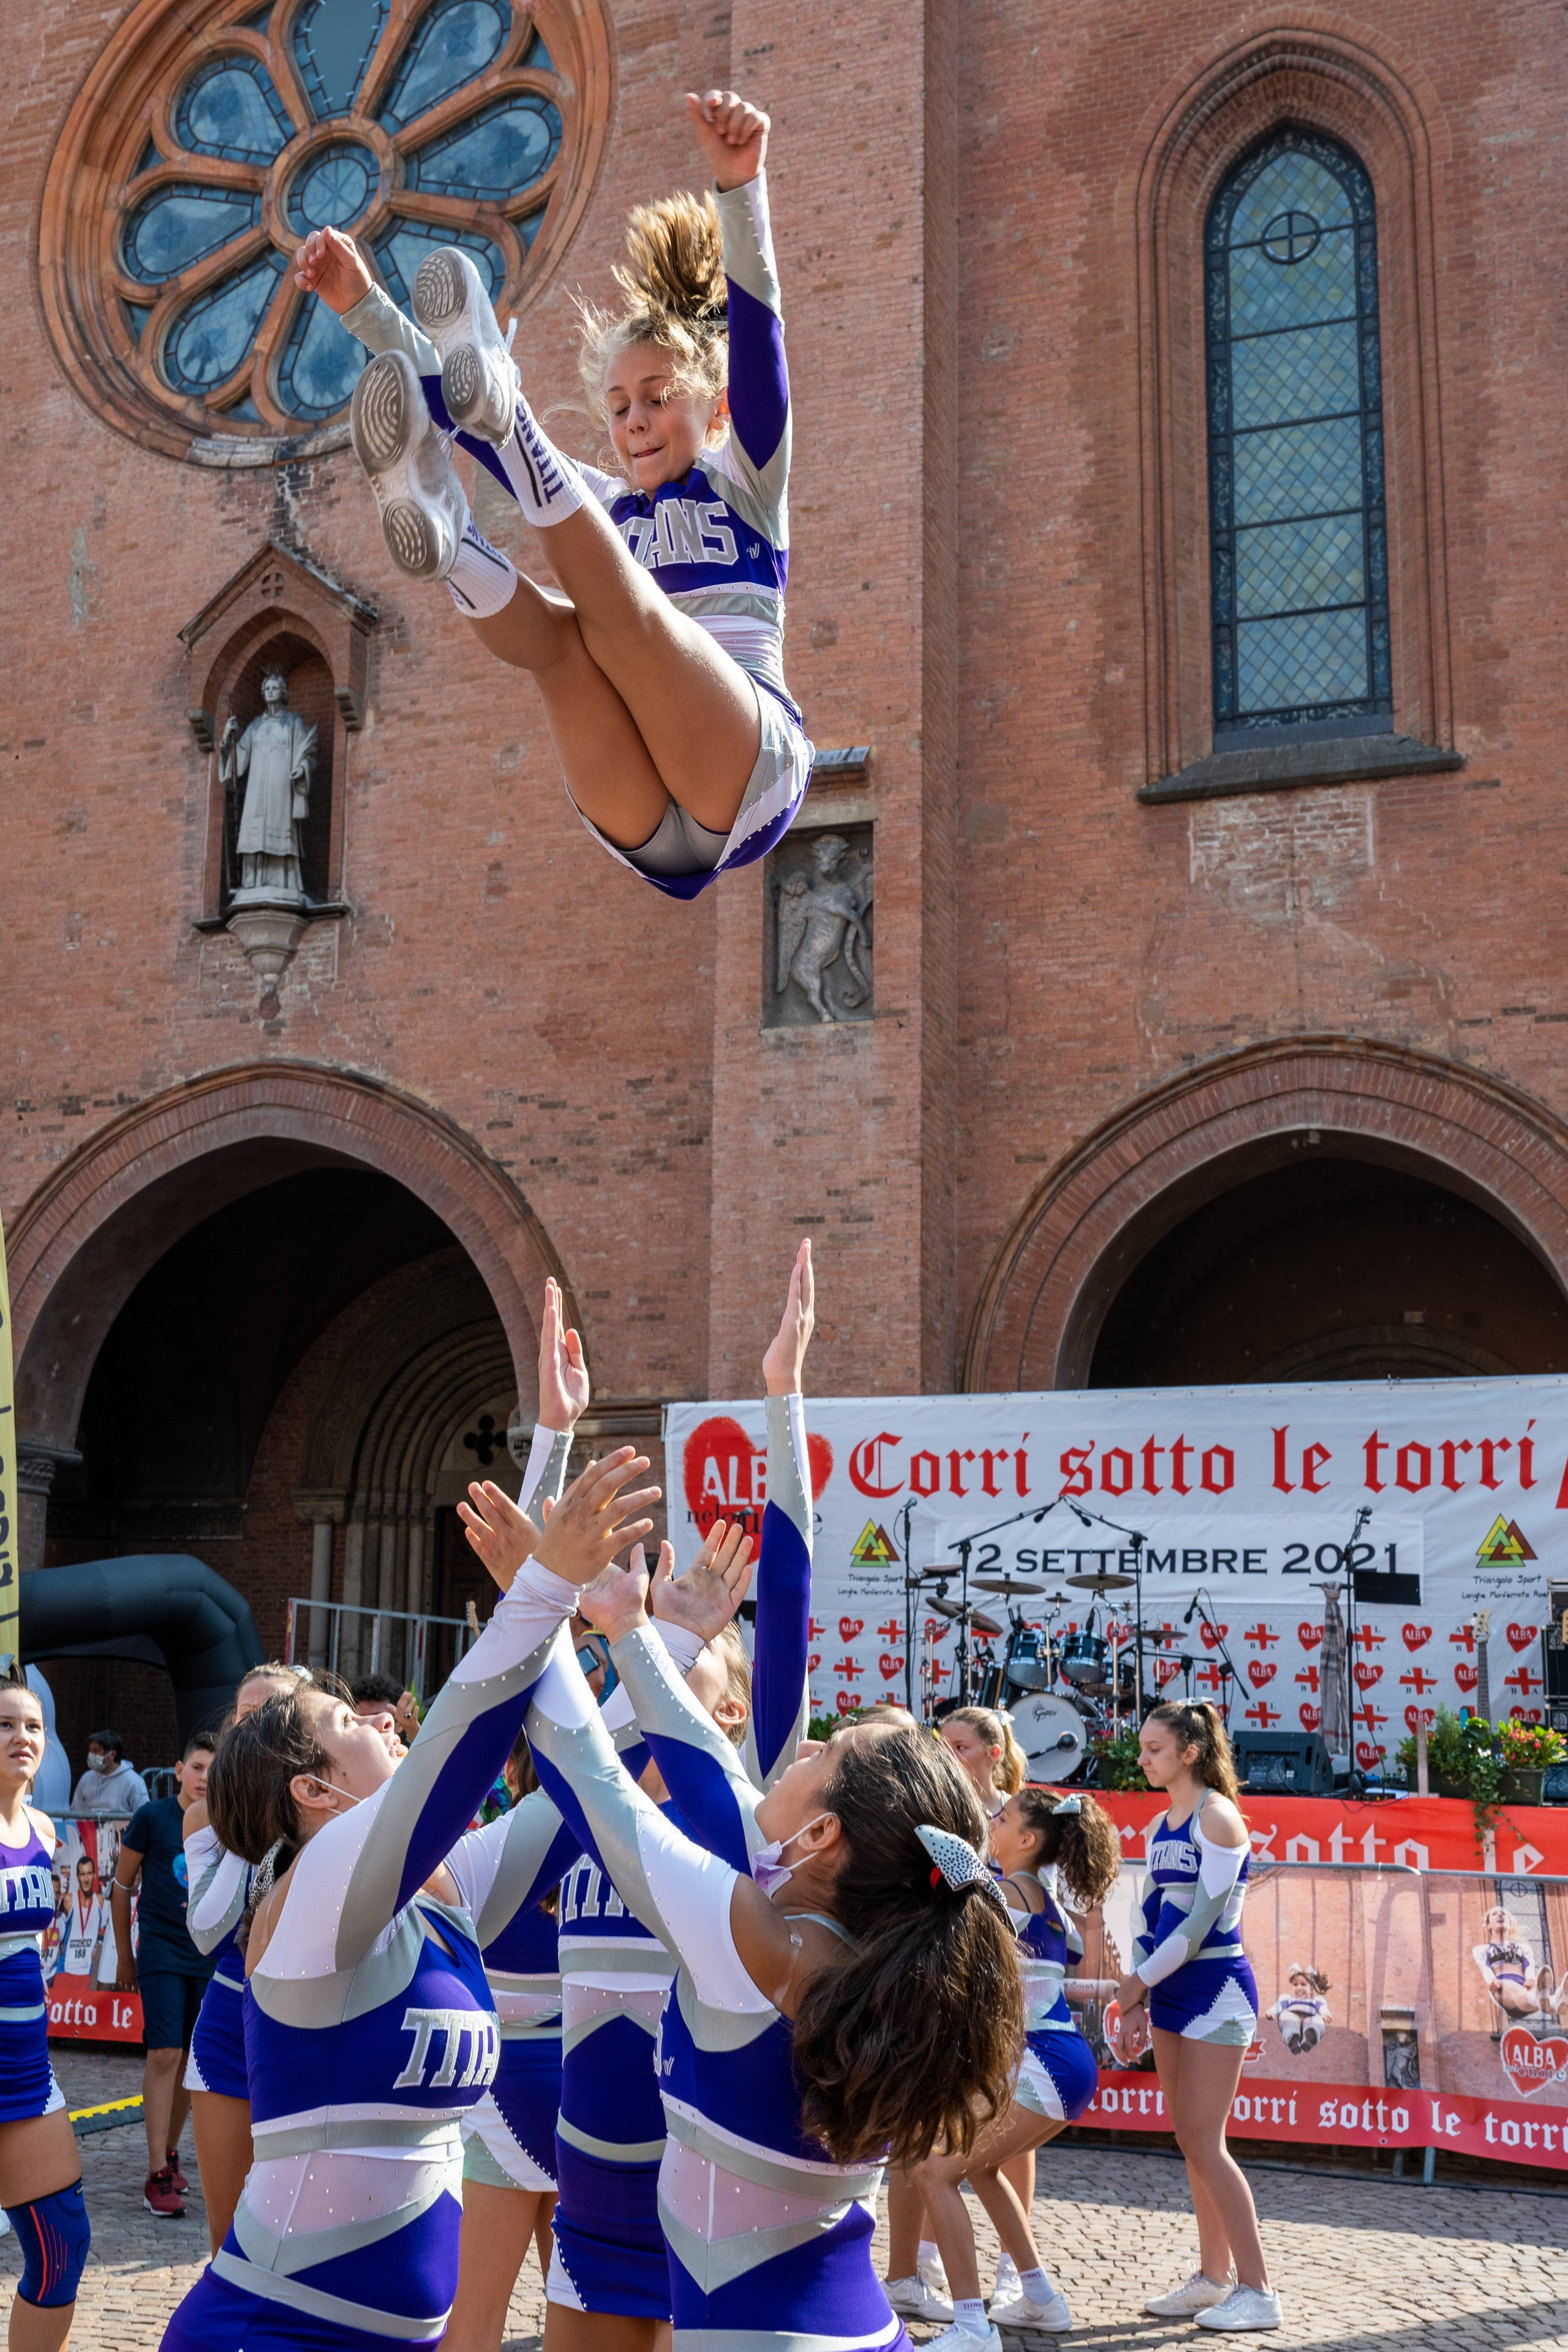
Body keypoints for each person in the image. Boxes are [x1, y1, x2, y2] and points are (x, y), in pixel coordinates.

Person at [157, 1441, 660, 2352]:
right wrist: (537, 1589)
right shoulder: (308, 1897)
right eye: (351, 1724)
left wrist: (659, 1638)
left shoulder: (442, 1884)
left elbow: (593, 1783)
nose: (384, 1726)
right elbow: (456, 1754)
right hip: (275, 2333)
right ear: (312, 1791)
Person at [295, 88, 813, 902]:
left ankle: (495, 466)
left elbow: (760, 337)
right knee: (562, 643)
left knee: (615, 609)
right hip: (648, 831)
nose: (634, 421)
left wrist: (741, 189)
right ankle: (451, 538)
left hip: (746, 769)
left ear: (713, 408)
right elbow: (446, 406)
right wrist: (363, 307)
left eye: (655, 396)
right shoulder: (603, 505)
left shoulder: (747, 480)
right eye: (616, 408)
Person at [528, 1544, 1025, 2350]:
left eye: (825, 1752)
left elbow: (583, 1771)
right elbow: (704, 1767)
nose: (800, 1750)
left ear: (823, 1833)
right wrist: (629, 1628)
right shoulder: (860, 1946)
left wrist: (538, 1594)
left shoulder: (755, 1940)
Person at [456, 1243, 814, 2348]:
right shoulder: (582, 1808)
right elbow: (521, 1645)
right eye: (651, 1685)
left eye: (698, 1694)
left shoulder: (749, 1830)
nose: (668, 1703)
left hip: (697, 2196)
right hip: (573, 2169)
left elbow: (792, 1593)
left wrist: (783, 1398)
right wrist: (552, 1436)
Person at [914, 1787, 1122, 2343]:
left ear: (1028, 1840)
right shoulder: (1044, 1903)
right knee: (979, 2169)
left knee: (934, 2172)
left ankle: (970, 2327)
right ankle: (1039, 2299)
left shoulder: (1005, 1892)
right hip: (1061, 2061)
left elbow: (936, 1849)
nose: (991, 1820)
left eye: (1002, 1818)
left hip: (1047, 2060)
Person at [1117, 1703, 1280, 2332]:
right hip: (1170, 1993)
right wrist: (1140, 1993)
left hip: (1215, 1988)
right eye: (1142, 1748)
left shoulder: (1218, 1817)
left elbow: (1198, 1924)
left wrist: (1134, 1987)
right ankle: (1214, 2279)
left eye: (1154, 1748)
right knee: (1189, 2140)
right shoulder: (1164, 1821)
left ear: (1189, 1751)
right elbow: (1145, 1916)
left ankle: (1258, 2290)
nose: (1142, 1759)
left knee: (1206, 2143)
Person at [888, 1702, 1030, 2325]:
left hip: (998, 1990)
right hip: (940, 1983)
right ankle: (910, 2267)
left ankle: (1011, 2270)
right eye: (941, 1744)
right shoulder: (931, 1807)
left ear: (994, 1754)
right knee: (916, 2127)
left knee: (1001, 2136)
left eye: (962, 1747)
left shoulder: (1021, 1820)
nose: (948, 1754)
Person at [182, 1660, 323, 2256]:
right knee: (228, 2240)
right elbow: (208, 1934)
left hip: (308, 2032)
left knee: (301, 2240)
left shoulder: (332, 1809)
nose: (257, 1728)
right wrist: (253, 1820)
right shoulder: (204, 1816)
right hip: (228, 2031)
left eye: (272, 1714)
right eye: (245, 1717)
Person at [0, 1672, 91, 2350]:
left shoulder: (45, 1831)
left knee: (62, 2243)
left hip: (28, 2072)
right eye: (4, 1725)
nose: (21, 1738)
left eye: (32, 1726)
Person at [111, 1732, 217, 2218]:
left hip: (208, 1955)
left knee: (193, 2063)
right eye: (198, 1768)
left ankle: (171, 2153)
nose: (204, 1779)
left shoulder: (225, 1823)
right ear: (179, 1770)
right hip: (160, 1952)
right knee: (165, 2052)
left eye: (214, 1771)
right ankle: (156, 2173)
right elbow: (120, 1887)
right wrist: (123, 1957)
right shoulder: (151, 1818)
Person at [70, 1731, 148, 1817]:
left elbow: (143, 1816)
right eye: (90, 1750)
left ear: (112, 1755)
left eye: (96, 1751)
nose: (91, 1755)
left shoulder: (134, 1782)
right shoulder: (86, 1778)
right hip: (88, 1830)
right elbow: (75, 1812)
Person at [348, 1673, 421, 1752]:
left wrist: (415, 1733)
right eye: (362, 1720)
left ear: (399, 1725)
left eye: (381, 1720)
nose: (369, 1729)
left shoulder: (408, 1761)